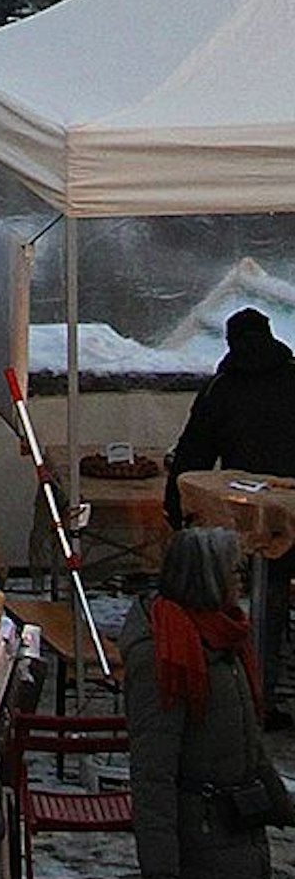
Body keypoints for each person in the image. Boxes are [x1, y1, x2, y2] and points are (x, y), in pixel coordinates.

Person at [118, 527, 283, 879]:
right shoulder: (168, 652)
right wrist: (159, 855)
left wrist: (279, 802)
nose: (241, 580)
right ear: (207, 578)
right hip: (200, 831)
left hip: (232, 827)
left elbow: (249, 742)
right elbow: (153, 766)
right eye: (233, 571)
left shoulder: (224, 639)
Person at [165, 307, 295, 726]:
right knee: (277, 597)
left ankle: (257, 695)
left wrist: (176, 508)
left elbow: (193, 454)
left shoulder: (221, 389)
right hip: (292, 508)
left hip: (248, 518)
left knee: (258, 599)